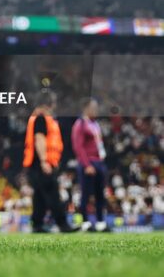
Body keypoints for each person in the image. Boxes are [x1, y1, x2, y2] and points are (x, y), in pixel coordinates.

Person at [23, 92, 79, 233]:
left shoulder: (41, 117)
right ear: (50, 103)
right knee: (53, 193)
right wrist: (44, 161)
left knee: (40, 196)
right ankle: (62, 224)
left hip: (39, 163)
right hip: (41, 163)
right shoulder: (41, 117)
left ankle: (37, 224)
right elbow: (39, 139)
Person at [71, 98, 109, 232]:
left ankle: (100, 222)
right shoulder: (80, 124)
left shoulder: (95, 124)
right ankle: (85, 222)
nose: (96, 110)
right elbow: (78, 146)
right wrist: (86, 164)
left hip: (99, 161)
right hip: (88, 162)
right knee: (85, 194)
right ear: (86, 108)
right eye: (94, 107)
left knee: (100, 194)